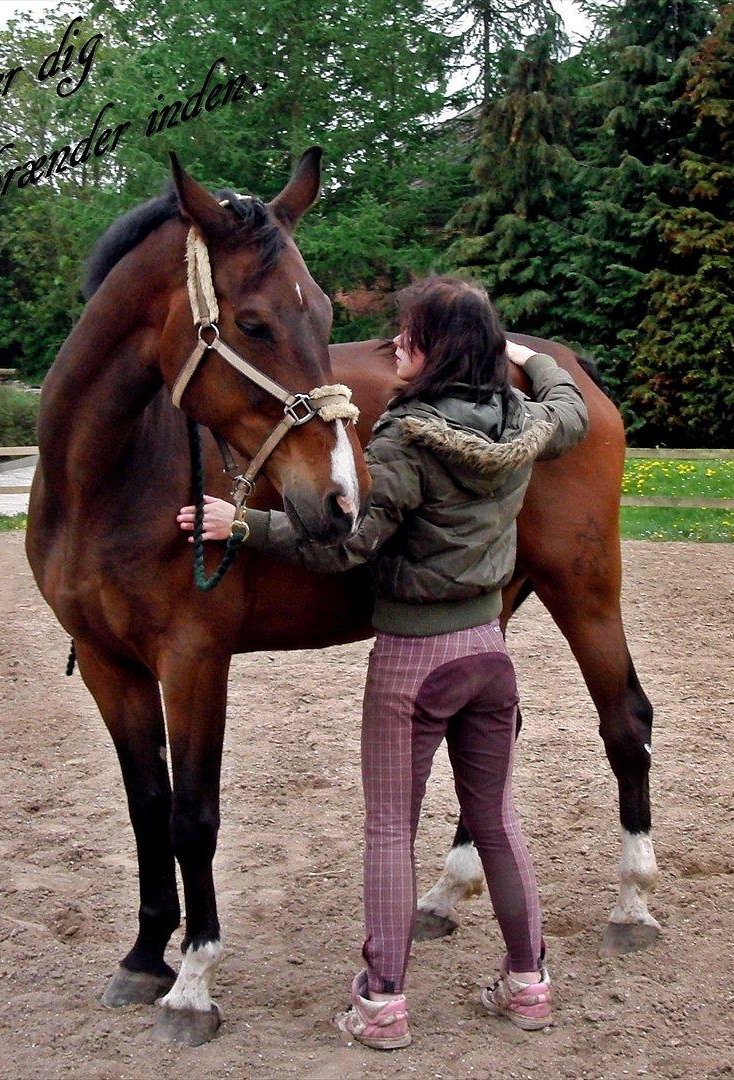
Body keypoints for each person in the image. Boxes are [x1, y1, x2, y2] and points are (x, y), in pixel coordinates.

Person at [176, 275, 589, 1048]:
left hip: (417, 662)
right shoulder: (524, 420)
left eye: (408, 337)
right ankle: (530, 985)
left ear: (434, 354)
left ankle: (383, 1002)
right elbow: (569, 408)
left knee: (390, 831)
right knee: (497, 822)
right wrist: (531, 359)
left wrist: (245, 527)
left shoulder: (405, 439)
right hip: (489, 656)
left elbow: (345, 543)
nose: (393, 347)